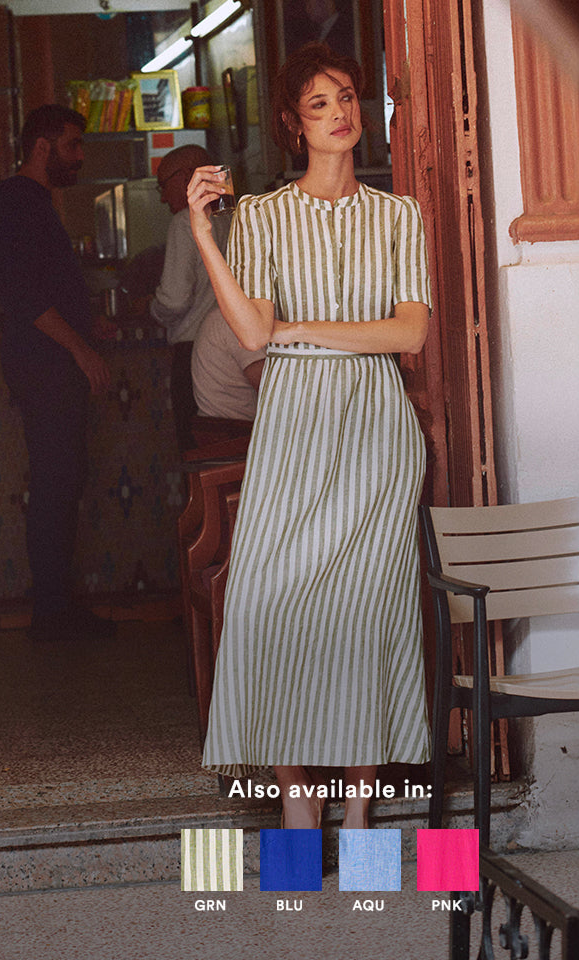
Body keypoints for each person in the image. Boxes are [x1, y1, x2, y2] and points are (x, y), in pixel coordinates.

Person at [188, 43, 432, 829]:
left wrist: (301, 327)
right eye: (320, 103)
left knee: (365, 613)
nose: (340, 113)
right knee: (264, 604)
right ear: (294, 124)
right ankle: (299, 797)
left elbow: (410, 334)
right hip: (292, 430)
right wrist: (202, 232)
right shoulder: (255, 216)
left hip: (375, 432)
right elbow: (256, 332)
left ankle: (356, 812)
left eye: (348, 97)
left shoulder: (400, 215)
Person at [0, 104, 115, 643]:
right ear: (43, 145)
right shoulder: (16, 201)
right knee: (57, 482)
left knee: (63, 479)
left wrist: (87, 325)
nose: (79, 156)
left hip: (47, 361)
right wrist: (80, 348)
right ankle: (53, 613)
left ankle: (58, 608)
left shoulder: (32, 202)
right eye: (73, 145)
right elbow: (27, 294)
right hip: (44, 364)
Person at [148, 144, 232, 450]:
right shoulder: (235, 217)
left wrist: (151, 310)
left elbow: (174, 300)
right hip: (238, 350)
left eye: (162, 185)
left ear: (186, 177)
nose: (161, 197)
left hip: (194, 354)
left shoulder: (185, 221)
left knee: (196, 449)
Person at [190, 305, 265, 423]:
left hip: (228, 426)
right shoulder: (234, 319)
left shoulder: (231, 315)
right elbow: (272, 390)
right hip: (234, 430)